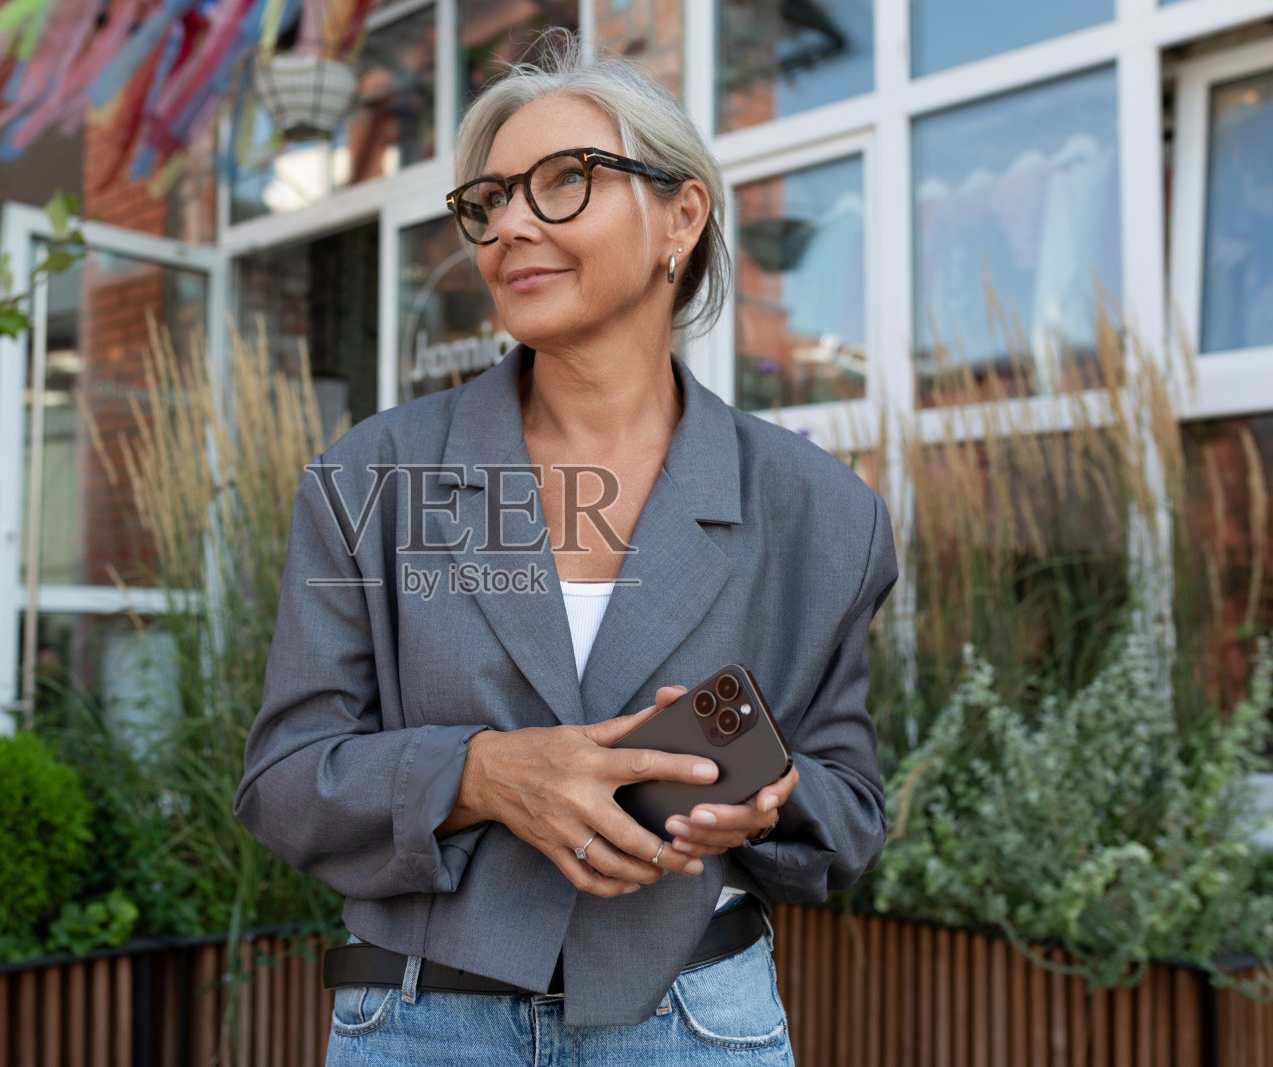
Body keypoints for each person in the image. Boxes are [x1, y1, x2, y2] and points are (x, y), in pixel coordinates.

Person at [234, 30, 898, 1066]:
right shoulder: (373, 477)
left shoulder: (820, 511)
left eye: (564, 182)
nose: (508, 227)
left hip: (693, 1025)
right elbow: (282, 781)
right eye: (488, 200)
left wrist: (766, 802)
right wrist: (486, 772)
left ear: (681, 215)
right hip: (420, 1023)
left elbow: (849, 812)